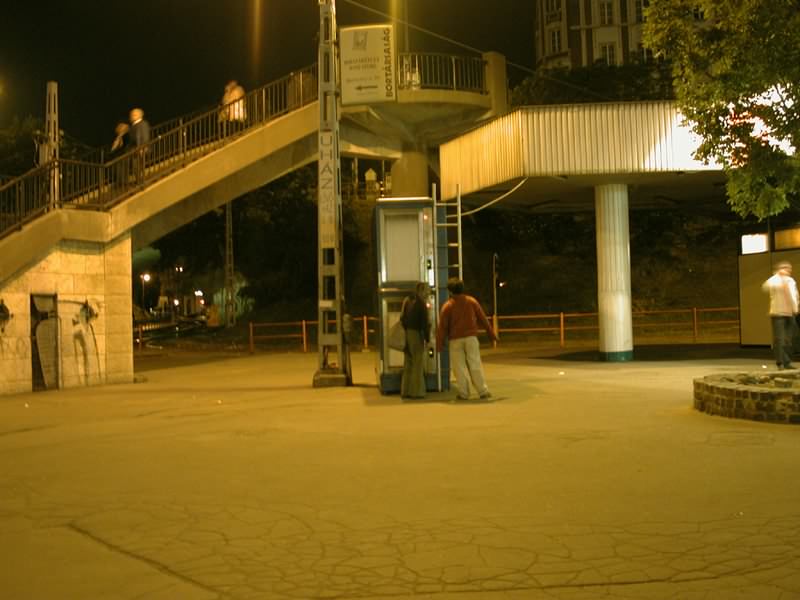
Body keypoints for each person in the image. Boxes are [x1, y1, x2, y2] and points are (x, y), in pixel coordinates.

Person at [436, 278, 497, 400]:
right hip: (471, 338)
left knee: (459, 367)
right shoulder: (471, 301)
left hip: (455, 340)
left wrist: (439, 344)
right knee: (475, 363)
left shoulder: (447, 306)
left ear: (450, 291)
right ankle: (483, 391)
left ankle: (464, 393)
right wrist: (491, 335)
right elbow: (483, 319)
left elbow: (442, 327)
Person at [762, 261, 799, 370]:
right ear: (780, 269)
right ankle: (780, 362)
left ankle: (787, 361)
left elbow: (795, 295)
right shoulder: (774, 280)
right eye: (786, 268)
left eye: (789, 268)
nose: (788, 270)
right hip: (778, 313)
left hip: (790, 313)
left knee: (789, 339)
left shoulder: (791, 281)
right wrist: (778, 276)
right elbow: (765, 287)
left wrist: (796, 307)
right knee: (779, 339)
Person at [400, 282, 430, 399]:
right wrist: (427, 339)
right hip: (416, 334)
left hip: (407, 334)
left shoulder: (408, 301)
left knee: (408, 363)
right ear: (421, 291)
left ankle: (405, 390)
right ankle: (417, 392)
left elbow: (402, 318)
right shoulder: (421, 304)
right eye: (426, 290)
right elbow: (424, 324)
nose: (428, 293)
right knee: (418, 363)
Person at [129, 108, 150, 182]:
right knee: (135, 166)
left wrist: (142, 147)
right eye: (132, 115)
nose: (132, 116)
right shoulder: (133, 125)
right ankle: (139, 180)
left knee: (139, 165)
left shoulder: (143, 124)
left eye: (134, 114)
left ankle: (141, 180)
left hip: (140, 148)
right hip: (134, 149)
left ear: (140, 115)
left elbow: (145, 136)